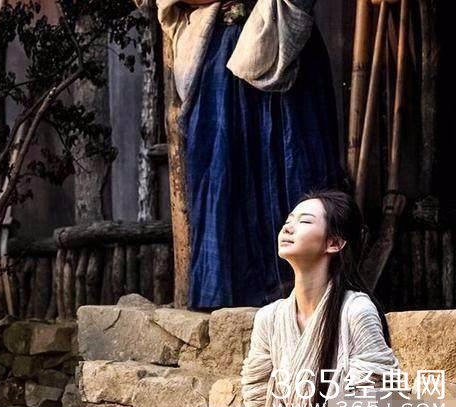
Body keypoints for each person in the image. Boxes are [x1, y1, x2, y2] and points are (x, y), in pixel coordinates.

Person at [134, 0, 344, 309]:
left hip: (283, 42)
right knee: (222, 173)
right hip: (219, 55)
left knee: (298, 168)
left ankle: (310, 298)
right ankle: (224, 303)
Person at [193, 190, 399, 407]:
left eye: (304, 221)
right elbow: (258, 402)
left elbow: (374, 401)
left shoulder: (356, 311)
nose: (287, 228)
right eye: (288, 221)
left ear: (334, 243)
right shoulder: (270, 318)